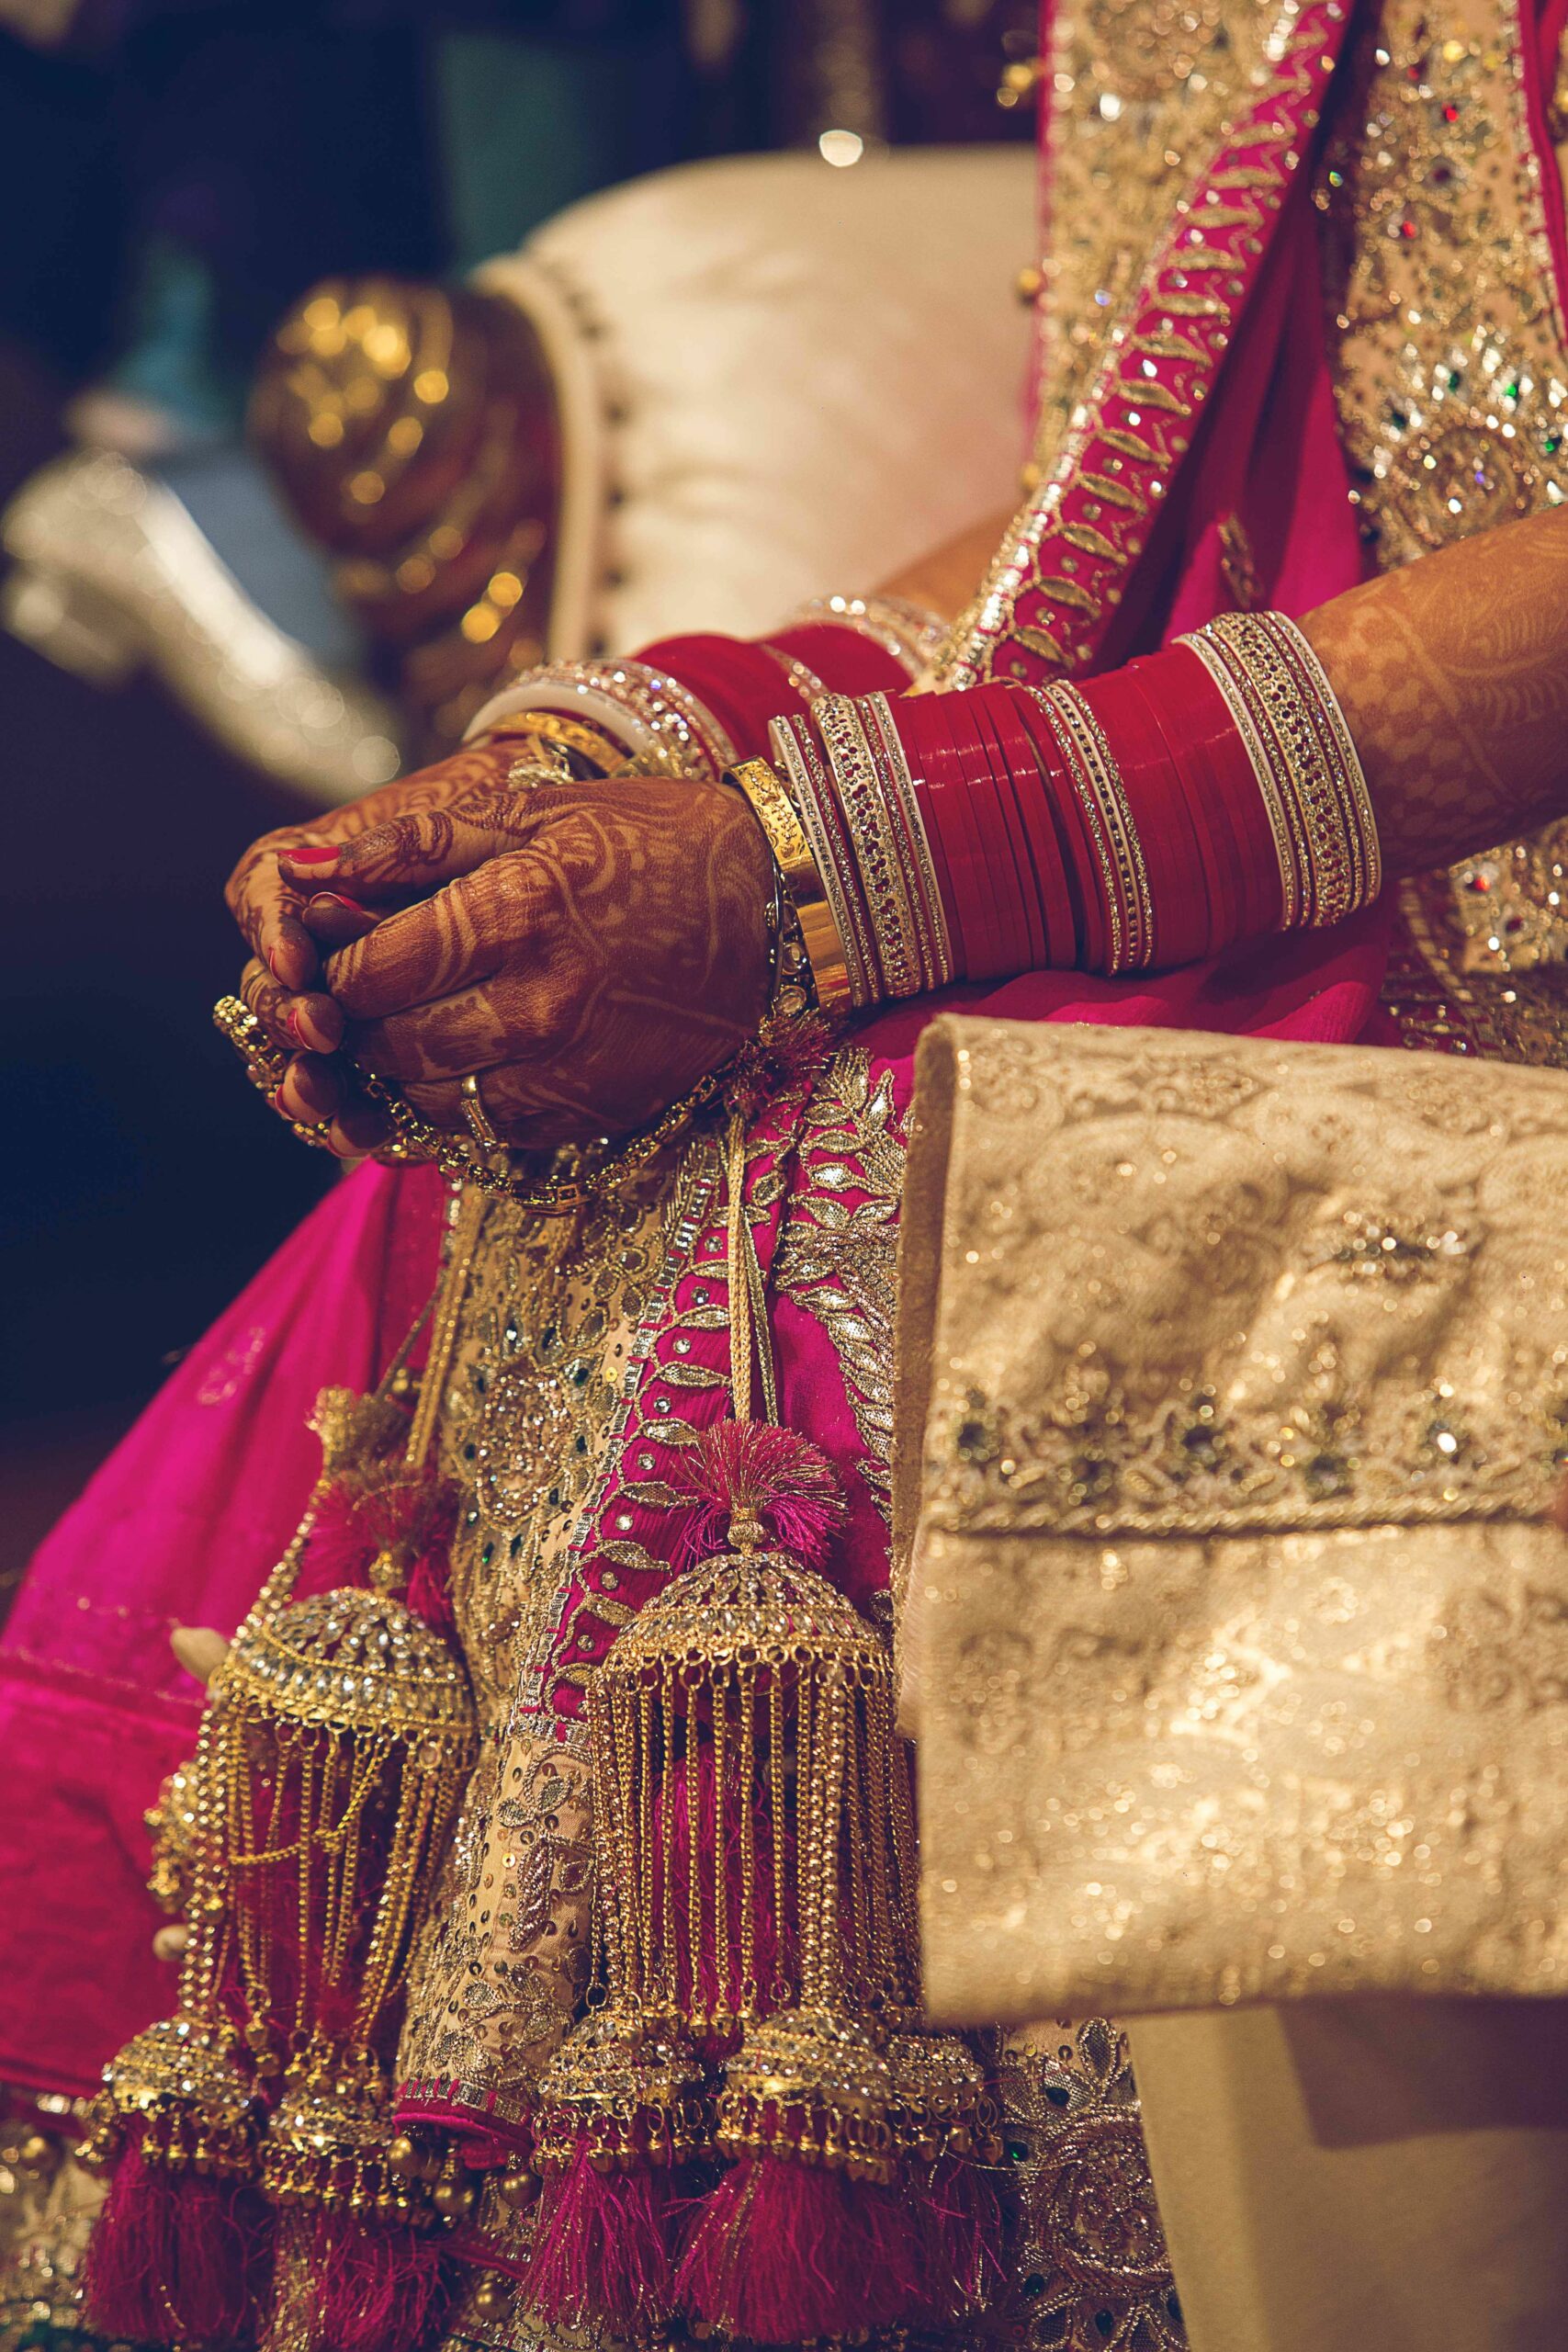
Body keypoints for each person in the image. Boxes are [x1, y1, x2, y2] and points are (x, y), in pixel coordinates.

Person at [5, 0, 1568, 2346]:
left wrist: (847, 859)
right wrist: (603, 749)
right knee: (589, 1102)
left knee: (875, 1169)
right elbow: (1108, 506)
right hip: (1366, 854)